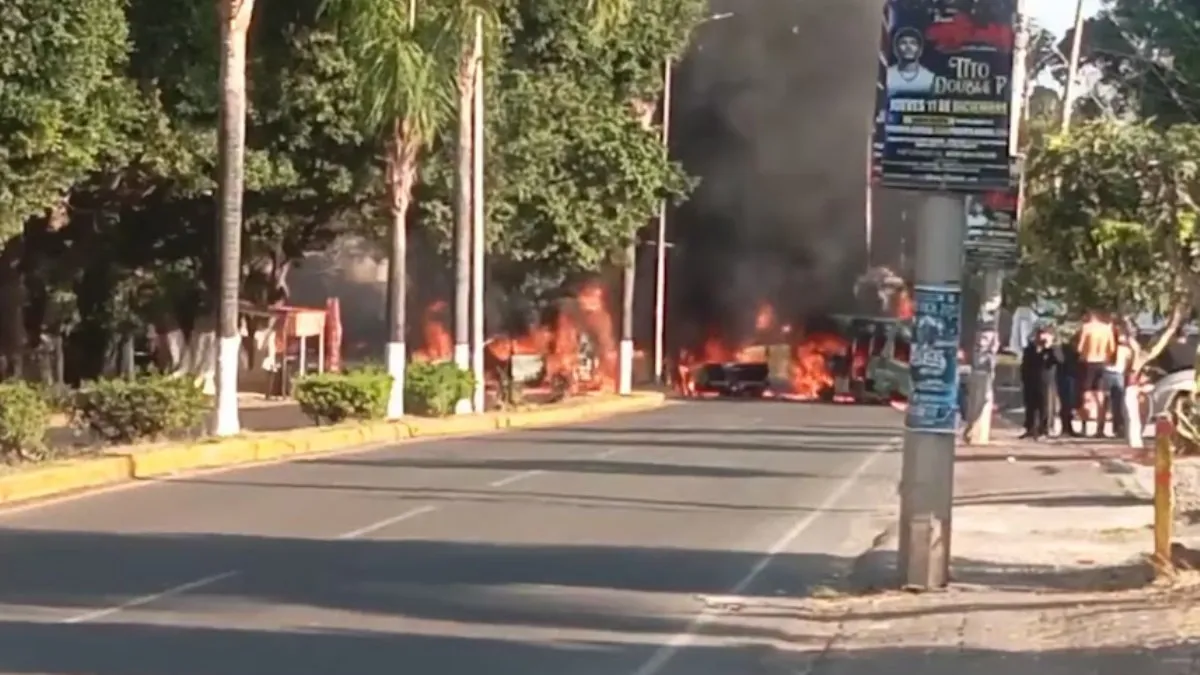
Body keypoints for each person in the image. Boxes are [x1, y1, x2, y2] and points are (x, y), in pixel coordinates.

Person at [1076, 311, 1116, 437]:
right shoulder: (1107, 329)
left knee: (1085, 395)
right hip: (1102, 362)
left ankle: (1084, 427)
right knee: (1100, 397)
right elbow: (1112, 348)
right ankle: (1100, 428)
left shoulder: (1087, 328)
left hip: (1088, 362)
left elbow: (1080, 348)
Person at [1020, 326, 1058, 439]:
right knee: (1030, 405)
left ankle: (1044, 429)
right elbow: (1025, 365)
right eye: (1039, 335)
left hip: (1046, 382)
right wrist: (1024, 378)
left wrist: (1049, 347)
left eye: (1044, 335)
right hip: (1030, 381)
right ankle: (1030, 428)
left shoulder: (1053, 350)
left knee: (1045, 406)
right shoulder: (1030, 349)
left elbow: (1058, 360)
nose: (1041, 338)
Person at [1105, 325, 1136, 438]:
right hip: (1117, 375)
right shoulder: (1125, 349)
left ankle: (1107, 428)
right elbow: (1129, 363)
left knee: (1108, 403)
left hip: (1108, 373)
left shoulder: (1109, 346)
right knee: (1117, 403)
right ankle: (1118, 427)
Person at [886, 27, 936, 95]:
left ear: (920, 49)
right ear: (896, 49)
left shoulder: (929, 77)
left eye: (913, 43)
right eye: (903, 43)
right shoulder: (888, 75)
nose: (908, 47)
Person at [1053, 330, 1080, 437]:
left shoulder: (1073, 349)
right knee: (1065, 404)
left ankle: (1068, 427)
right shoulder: (1062, 348)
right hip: (1064, 377)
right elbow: (1061, 360)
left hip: (1071, 377)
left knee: (1069, 404)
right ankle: (1065, 428)